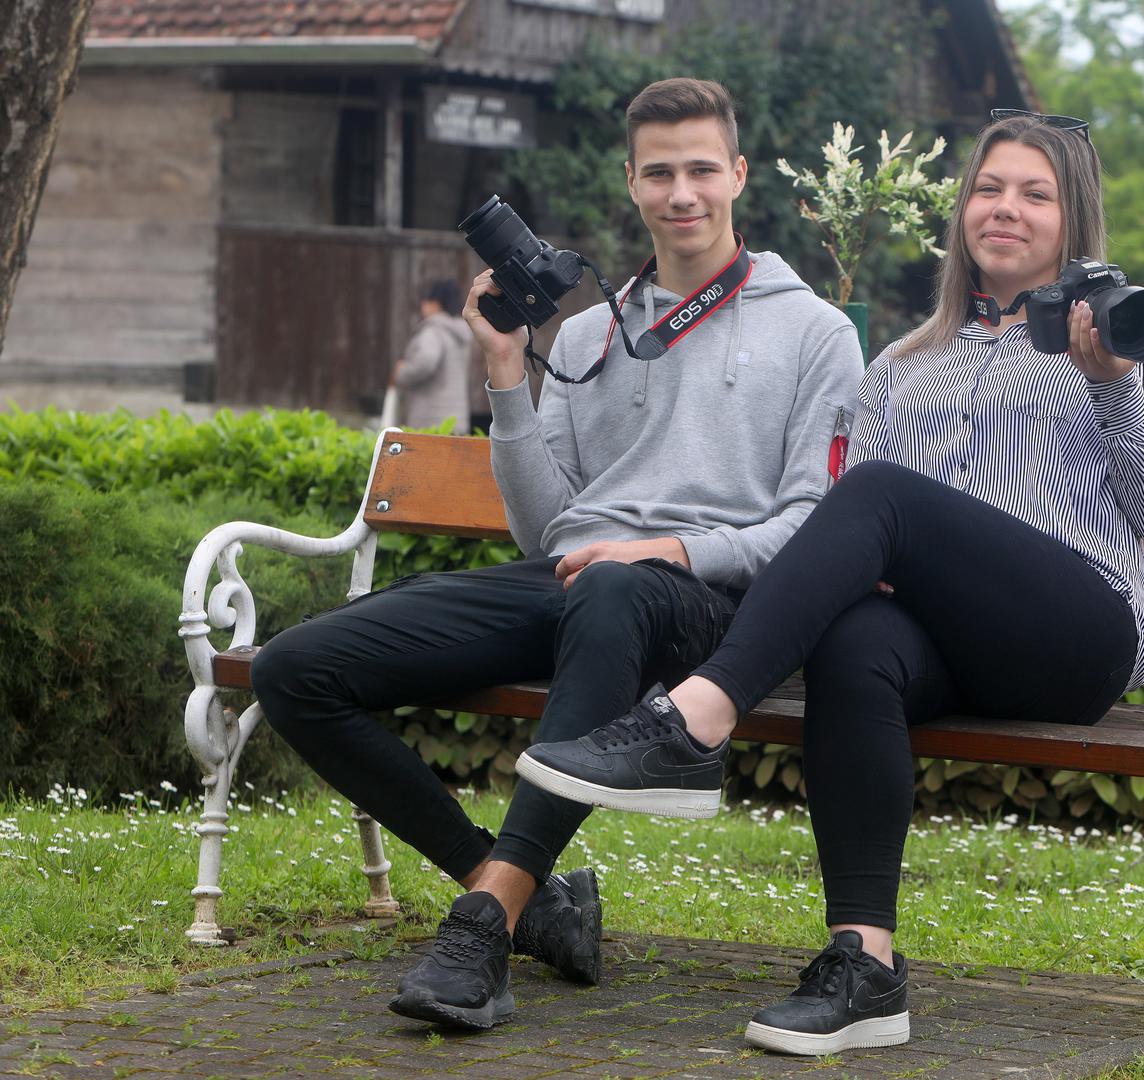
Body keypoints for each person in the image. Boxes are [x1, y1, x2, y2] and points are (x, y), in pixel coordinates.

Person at [517, 111, 1144, 1055]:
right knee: (854, 642)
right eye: (990, 189)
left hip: (1077, 634)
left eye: (1034, 194)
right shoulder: (900, 366)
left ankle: (695, 719)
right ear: (964, 212)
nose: (1006, 209)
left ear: (1072, 219)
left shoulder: (1132, 340)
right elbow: (859, 543)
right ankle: (865, 967)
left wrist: (1111, 385)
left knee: (878, 491)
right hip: (952, 646)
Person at [249, 77, 863, 1031]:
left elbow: (813, 529)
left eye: (703, 169)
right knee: (295, 668)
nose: (682, 193)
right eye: (660, 173)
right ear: (632, 184)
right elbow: (545, 533)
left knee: (614, 583)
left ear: (739, 175)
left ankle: (483, 928)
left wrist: (667, 546)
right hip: (577, 583)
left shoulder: (816, 331)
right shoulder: (587, 332)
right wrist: (504, 373)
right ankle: (530, 899)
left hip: (704, 603)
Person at [392, 279, 475, 433]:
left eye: (425, 300)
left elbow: (425, 362)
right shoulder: (460, 332)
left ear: (435, 303)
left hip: (430, 421)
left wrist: (402, 371)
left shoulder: (433, 331)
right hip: (456, 419)